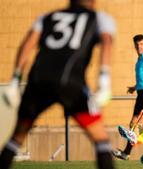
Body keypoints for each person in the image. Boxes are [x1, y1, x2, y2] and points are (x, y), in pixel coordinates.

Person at [0, 0, 115, 169]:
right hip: (71, 83)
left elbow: (27, 45)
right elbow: (107, 42)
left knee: (16, 138)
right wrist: (104, 79)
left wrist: (15, 80)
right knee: (101, 139)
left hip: (37, 82)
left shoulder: (46, 17)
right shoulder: (100, 18)